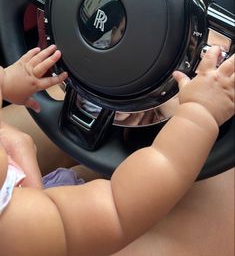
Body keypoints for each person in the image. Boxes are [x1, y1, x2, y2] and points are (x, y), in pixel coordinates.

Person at [0, 45, 234, 256]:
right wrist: (199, 114)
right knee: (220, 198)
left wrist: (5, 81)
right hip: (54, 229)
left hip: (39, 205)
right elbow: (117, 206)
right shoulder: (17, 228)